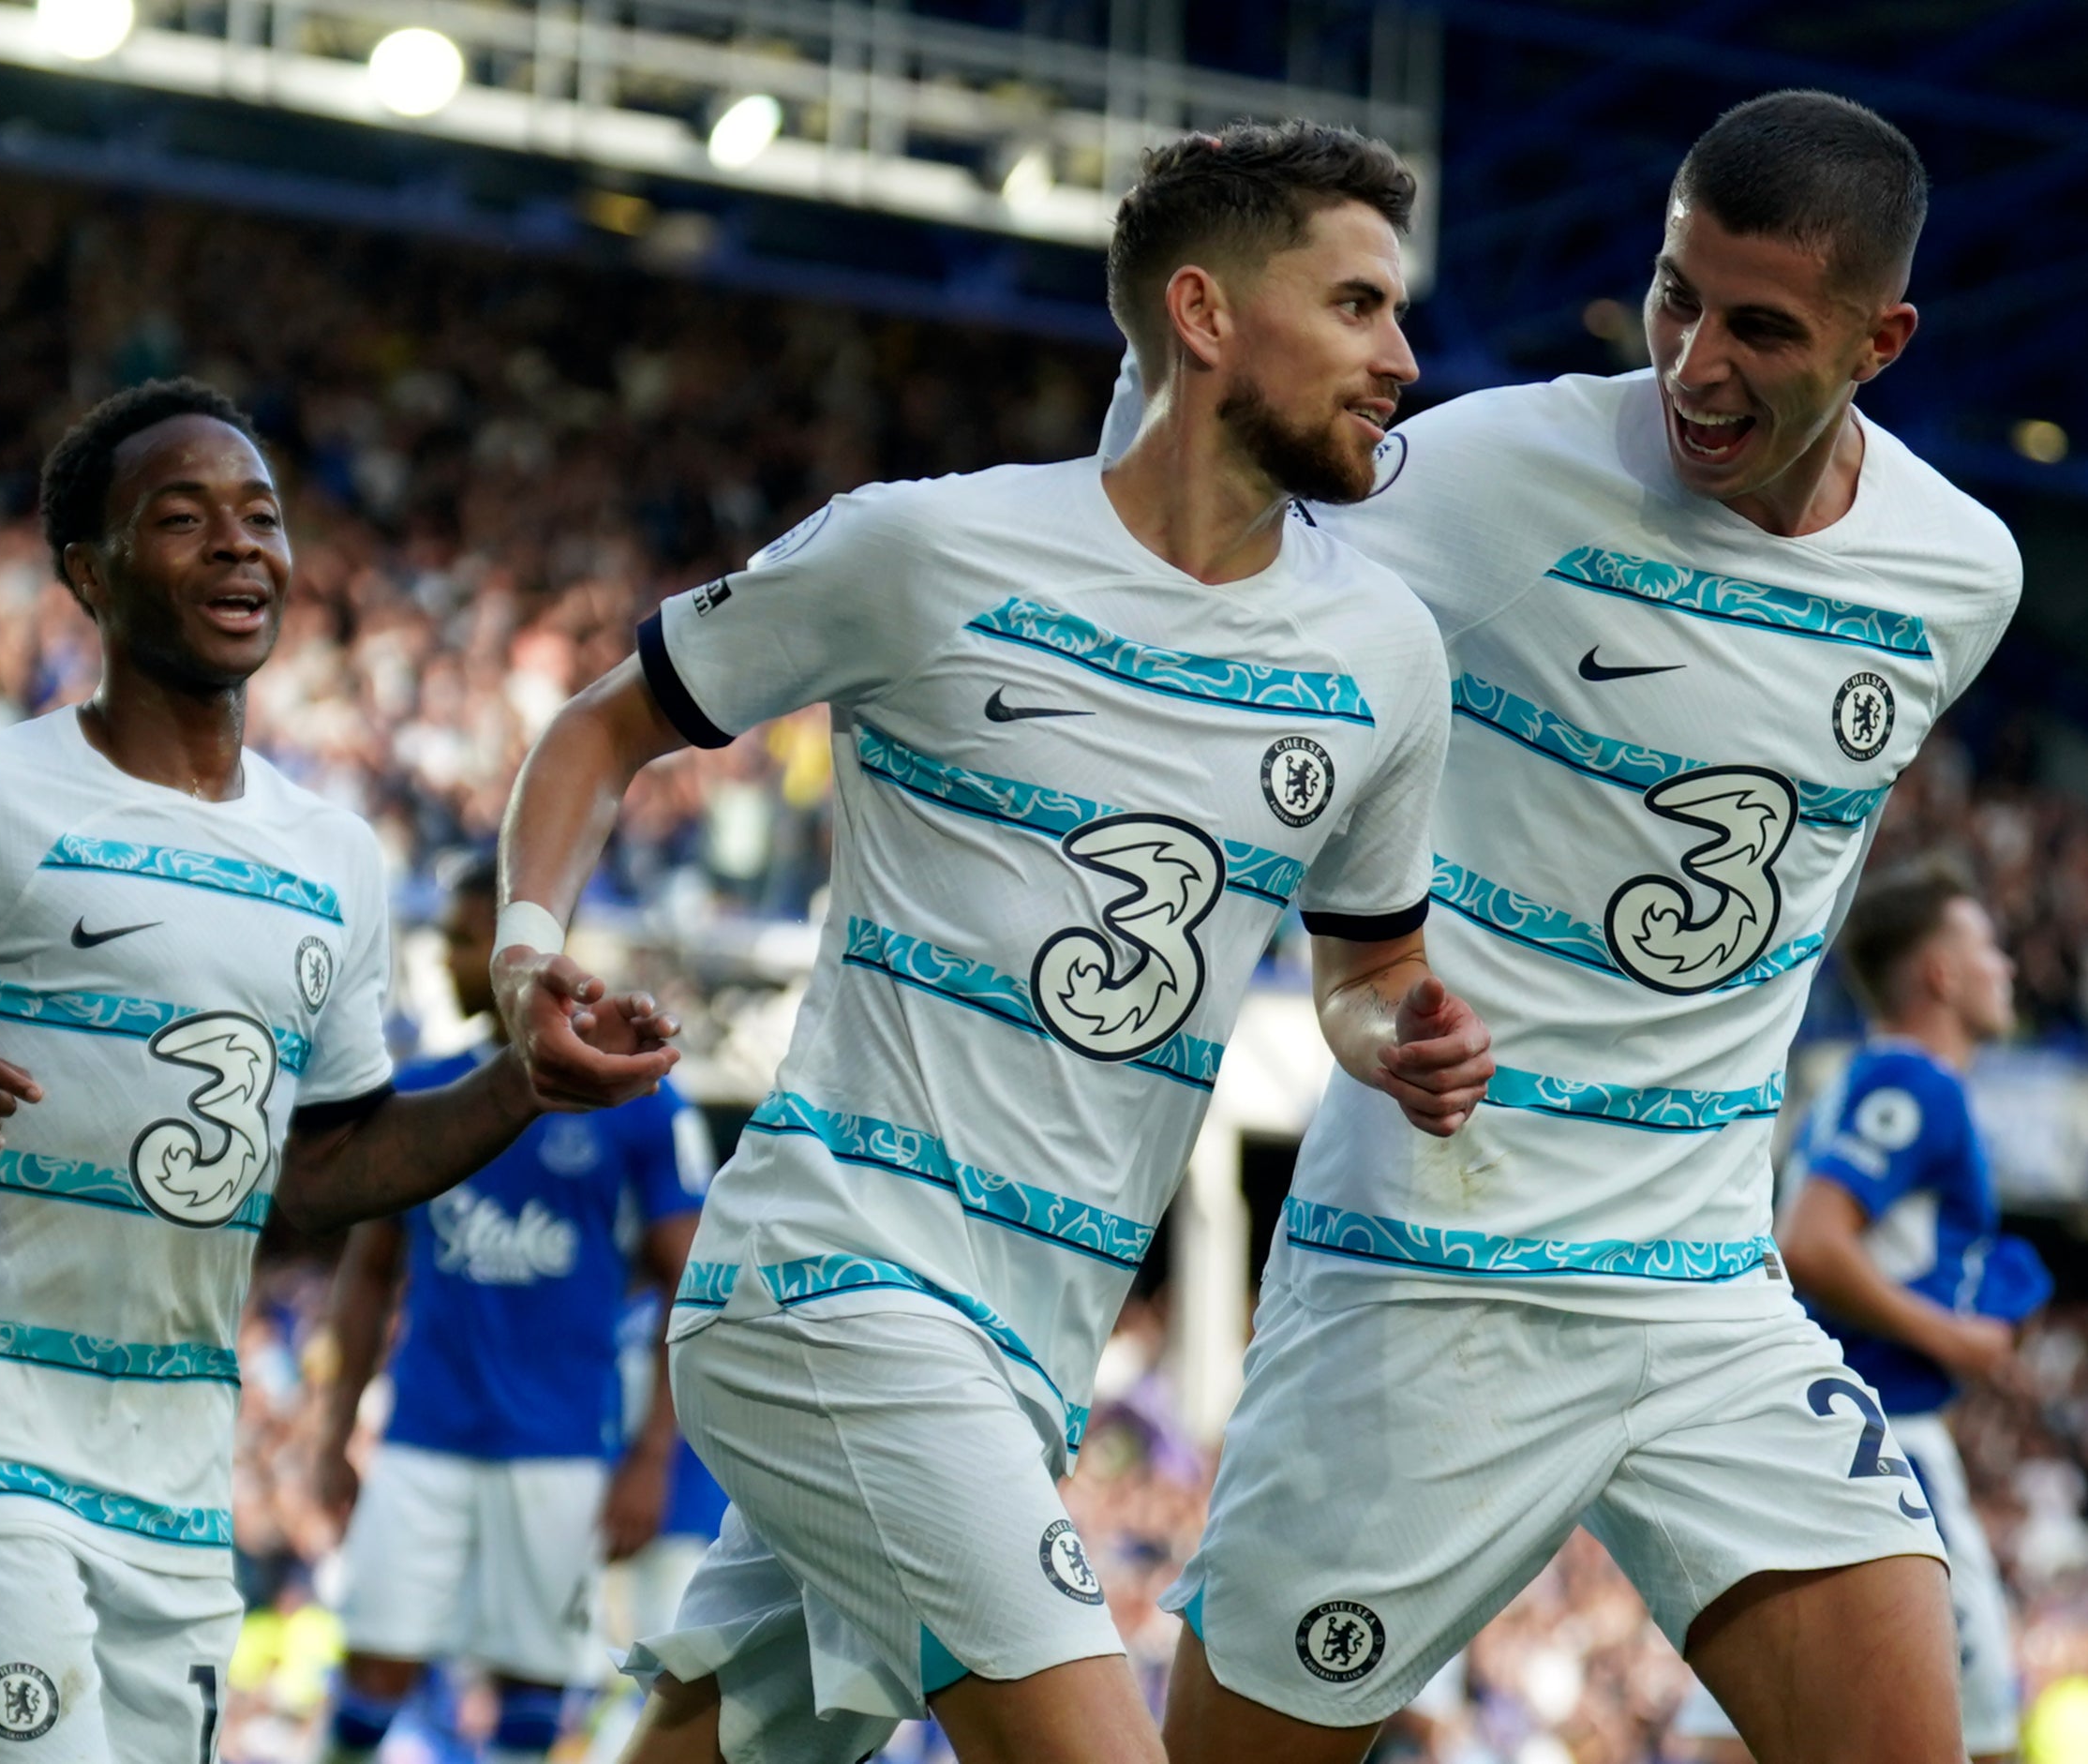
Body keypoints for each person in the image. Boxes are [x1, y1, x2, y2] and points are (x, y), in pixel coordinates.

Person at [489, 121, 1493, 1764]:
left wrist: (1404, 1038)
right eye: (1362, 304)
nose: (1403, 357)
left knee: (715, 1742)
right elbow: (599, 732)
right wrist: (527, 953)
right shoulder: (925, 549)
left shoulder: (1384, 653)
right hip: (833, 1280)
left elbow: (1364, 972)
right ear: (1205, 313)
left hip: (1031, 1348)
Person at [1108, 91, 2023, 1764]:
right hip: (1430, 1273)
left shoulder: (1958, 576)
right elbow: (1190, 564)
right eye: (1678, 297)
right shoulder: (1491, 473)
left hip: (1702, 1288)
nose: (1695, 365)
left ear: (1881, 340)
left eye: (1762, 327)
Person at [0, 380, 674, 1764]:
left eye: (261, 517)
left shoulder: (335, 857)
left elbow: (333, 1160)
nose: (241, 546)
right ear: (87, 573)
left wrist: (522, 1083)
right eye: (181, 519)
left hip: (172, 1474)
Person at [315, 854, 711, 1764]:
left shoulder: (634, 1104)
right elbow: (369, 1268)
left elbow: (688, 1286)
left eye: (461, 939)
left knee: (535, 1690)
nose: (447, 956)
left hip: (564, 1447)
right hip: (424, 1432)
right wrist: (333, 1427)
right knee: (371, 1669)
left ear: (516, 955)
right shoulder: (413, 1090)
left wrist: (653, 1456)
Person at [1774, 859, 2043, 1764]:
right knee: (1981, 1739)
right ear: (1939, 974)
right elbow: (1809, 1239)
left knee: (1753, 1739)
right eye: (1987, 947)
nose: (2006, 966)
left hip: (1815, 1439)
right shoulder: (1911, 1085)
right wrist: (1955, 1338)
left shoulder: (1860, 1078)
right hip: (1885, 1441)